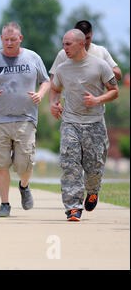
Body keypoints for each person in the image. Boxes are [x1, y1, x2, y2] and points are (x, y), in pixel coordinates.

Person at [0, 22, 50, 217]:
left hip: (25, 119)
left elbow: (46, 81)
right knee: (0, 165)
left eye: (13, 39)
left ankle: (24, 186)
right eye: (6, 39)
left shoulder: (32, 57)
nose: (9, 43)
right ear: (2, 39)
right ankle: (5, 204)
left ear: (20, 39)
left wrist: (41, 94)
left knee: (24, 164)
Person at [49, 29, 118, 222]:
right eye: (63, 44)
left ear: (81, 44)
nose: (64, 48)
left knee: (94, 167)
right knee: (69, 164)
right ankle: (73, 208)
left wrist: (97, 100)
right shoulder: (62, 68)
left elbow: (114, 91)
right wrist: (54, 104)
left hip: (95, 123)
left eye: (68, 44)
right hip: (70, 122)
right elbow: (54, 89)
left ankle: (93, 190)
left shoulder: (101, 66)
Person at [49, 20, 122, 82]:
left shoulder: (101, 51)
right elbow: (52, 81)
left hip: (97, 98)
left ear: (92, 35)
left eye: (88, 38)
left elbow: (119, 76)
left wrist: (104, 66)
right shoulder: (64, 53)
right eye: (82, 39)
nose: (85, 42)